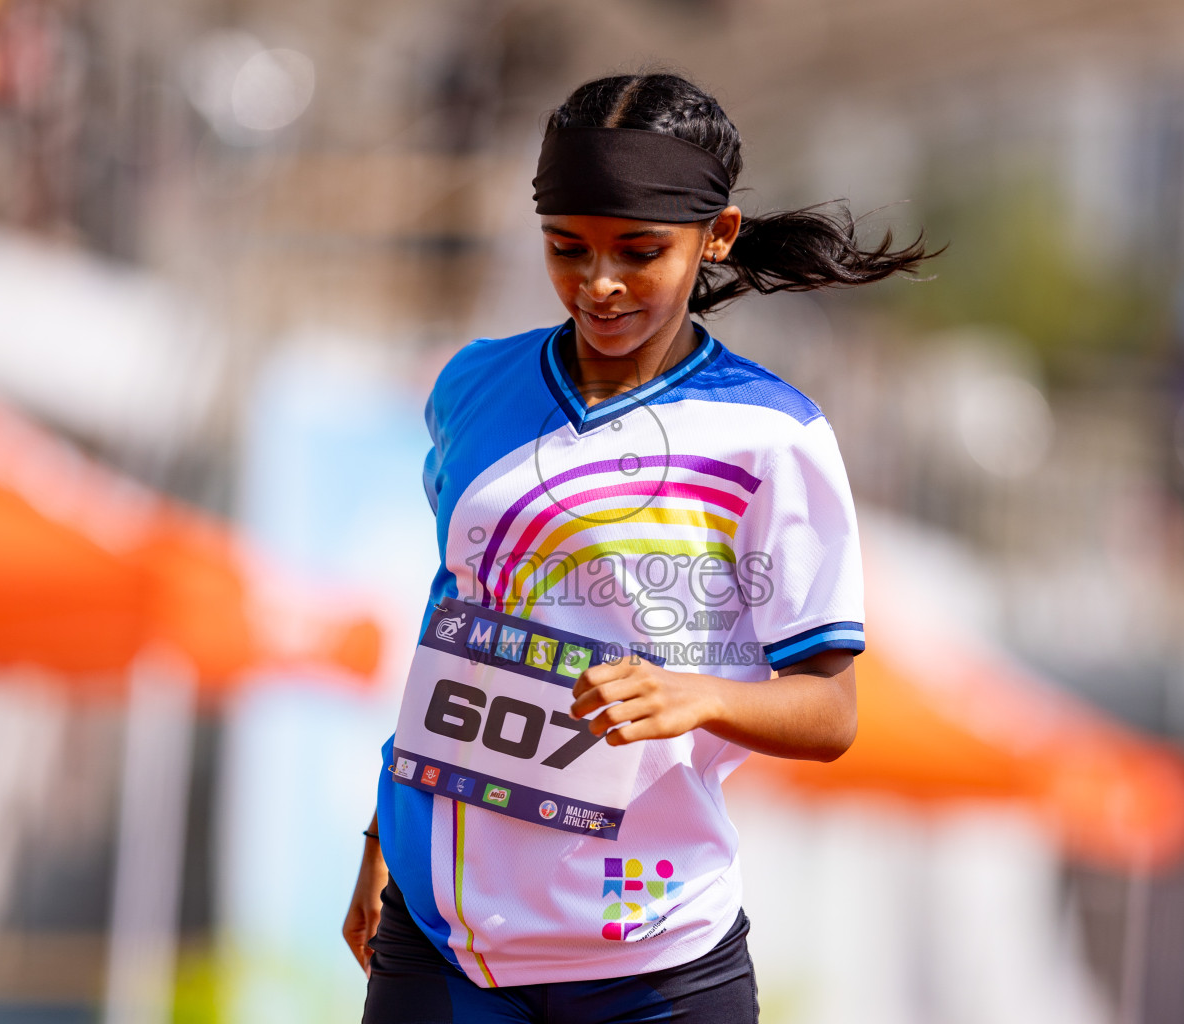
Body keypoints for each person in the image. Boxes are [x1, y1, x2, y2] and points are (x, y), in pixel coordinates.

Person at [343, 71, 934, 1024]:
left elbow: (831, 712)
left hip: (650, 959)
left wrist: (692, 696)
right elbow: (451, 621)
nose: (599, 283)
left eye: (639, 252)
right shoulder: (471, 385)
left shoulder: (773, 435)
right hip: (443, 941)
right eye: (566, 248)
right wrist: (380, 834)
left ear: (719, 237)